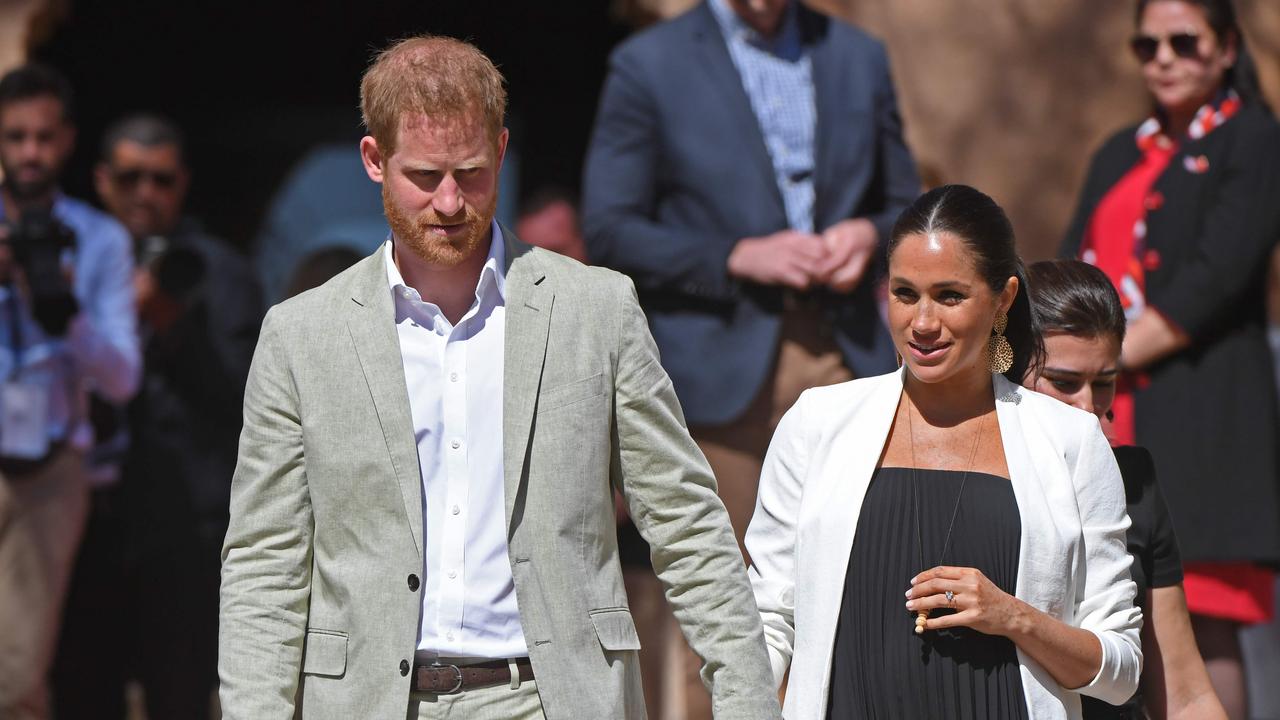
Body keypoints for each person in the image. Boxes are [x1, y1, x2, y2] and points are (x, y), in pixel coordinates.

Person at [218, 35, 780, 720]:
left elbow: (685, 520)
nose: (451, 201)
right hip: (369, 700)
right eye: (425, 176)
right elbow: (265, 565)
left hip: (553, 697)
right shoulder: (300, 335)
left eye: (472, 173)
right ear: (375, 160)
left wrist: (750, 701)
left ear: (503, 152)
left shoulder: (595, 310)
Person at [583, 3, 918, 713]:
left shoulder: (858, 55)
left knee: (866, 590)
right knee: (724, 607)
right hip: (716, 378)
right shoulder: (649, 64)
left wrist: (870, 233)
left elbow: (906, 204)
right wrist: (735, 255)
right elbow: (610, 227)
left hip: (847, 358)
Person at [746, 185, 1141, 719]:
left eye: (950, 296)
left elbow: (1120, 670)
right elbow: (767, 620)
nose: (923, 322)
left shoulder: (1071, 440)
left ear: (1003, 300)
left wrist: (1012, 615)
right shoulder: (817, 423)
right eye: (906, 294)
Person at [1060, 1, 1280, 714]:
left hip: (1203, 416)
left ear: (1225, 49)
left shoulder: (1252, 137)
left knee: (1202, 616)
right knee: (1102, 601)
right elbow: (1069, 273)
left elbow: (1217, 276)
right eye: (1146, 44)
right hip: (1108, 412)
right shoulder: (1120, 151)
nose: (1163, 57)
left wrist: (1106, 357)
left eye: (1184, 41)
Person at [48, 113, 262, 719]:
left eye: (161, 180)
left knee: (179, 696)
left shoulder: (218, 271)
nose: (145, 193)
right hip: (82, 518)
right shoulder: (68, 262)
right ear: (101, 180)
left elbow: (251, 402)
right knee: (81, 691)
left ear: (183, 185)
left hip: (183, 529)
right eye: (130, 177)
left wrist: (173, 324)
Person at [1025, 259, 1227, 720]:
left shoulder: (1133, 480)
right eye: (1064, 383)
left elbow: (1185, 693)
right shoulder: (972, 479)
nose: (1088, 407)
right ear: (1008, 368)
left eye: (1105, 383)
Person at [0, 63, 141, 720]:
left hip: (52, 473)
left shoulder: (99, 240)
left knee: (18, 674)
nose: (30, 152)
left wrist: (63, 310)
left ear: (66, 141)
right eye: (15, 136)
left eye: (43, 137)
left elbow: (122, 377)